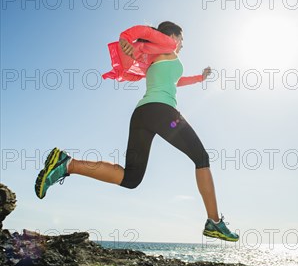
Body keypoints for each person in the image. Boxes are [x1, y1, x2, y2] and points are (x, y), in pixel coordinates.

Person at [35, 21, 239, 242]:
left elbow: (176, 81)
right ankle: (214, 222)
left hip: (142, 114)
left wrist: (200, 78)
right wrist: (125, 37)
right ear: (173, 36)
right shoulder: (168, 45)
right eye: (182, 40)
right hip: (162, 112)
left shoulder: (153, 60)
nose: (182, 45)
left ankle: (67, 164)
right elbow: (143, 31)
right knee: (201, 158)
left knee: (131, 179)